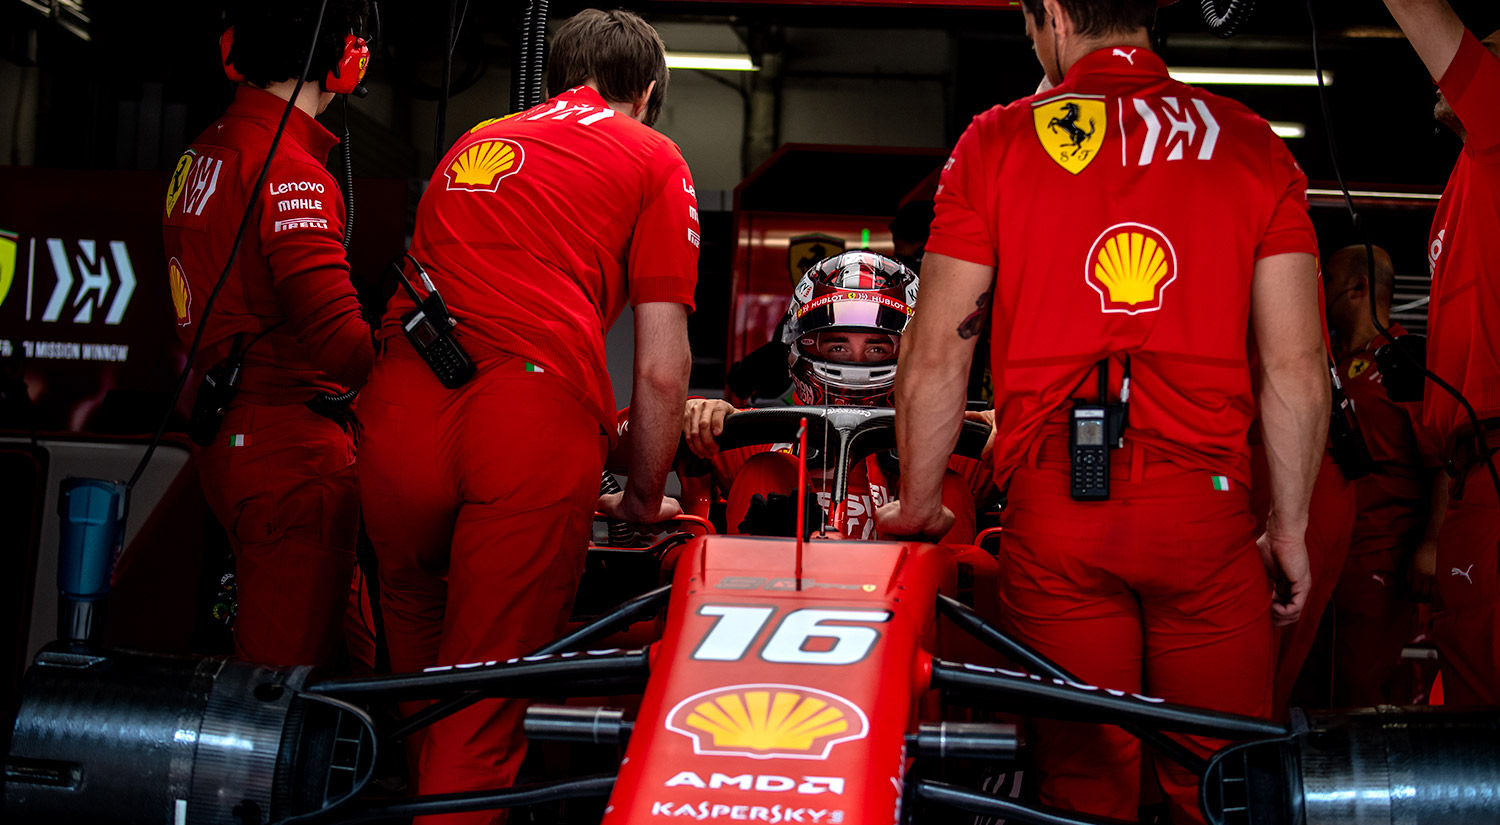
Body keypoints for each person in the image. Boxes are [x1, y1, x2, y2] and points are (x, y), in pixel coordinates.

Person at [877, 0, 1328, 821]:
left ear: (1051, 13)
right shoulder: (1252, 142)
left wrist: (918, 501)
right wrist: (1290, 528)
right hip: (1208, 512)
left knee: (1084, 790)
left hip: (1058, 507)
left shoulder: (997, 141)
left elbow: (939, 351)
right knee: (1221, 784)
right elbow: (1296, 366)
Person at [357, 9, 698, 819]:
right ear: (646, 92)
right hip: (527, 420)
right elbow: (661, 367)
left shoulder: (474, 140)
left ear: (551, 82)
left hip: (399, 409)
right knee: (478, 713)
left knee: (419, 691)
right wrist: (644, 494)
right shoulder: (654, 156)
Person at [162, 0, 375, 669]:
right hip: (292, 459)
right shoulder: (290, 170)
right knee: (271, 702)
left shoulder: (204, 151)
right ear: (346, 61)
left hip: (231, 440)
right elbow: (341, 346)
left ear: (233, 50)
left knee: (361, 667)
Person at [631, 251, 990, 542]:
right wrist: (689, 417)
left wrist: (1008, 427)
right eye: (838, 345)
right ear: (800, 344)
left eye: (877, 348)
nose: (856, 360)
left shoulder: (956, 446)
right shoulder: (749, 435)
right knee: (766, 469)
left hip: (914, 609)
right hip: (766, 600)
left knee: (944, 484)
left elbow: (1042, 463)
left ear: (910, 351)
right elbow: (614, 437)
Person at [1380, 1, 1500, 707]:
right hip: (1471, 471)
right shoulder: (1469, 175)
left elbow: (1421, 9)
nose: (1462, 55)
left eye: (1483, 46)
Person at [1323, 244, 1439, 706]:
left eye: (1326, 281)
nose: (1318, 292)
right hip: (1322, 556)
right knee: (1308, 692)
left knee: (1357, 693)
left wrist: (1430, 545)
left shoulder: (1406, 360)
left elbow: (1443, 462)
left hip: (1379, 559)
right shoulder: (1321, 359)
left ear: (1357, 287)